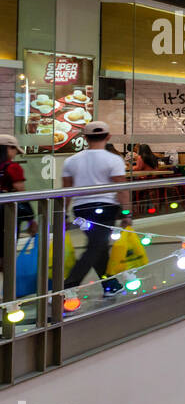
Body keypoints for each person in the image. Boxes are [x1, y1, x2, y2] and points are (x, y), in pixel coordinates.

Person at [62, 122, 130, 297]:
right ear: (108, 137)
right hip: (107, 209)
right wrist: (126, 213)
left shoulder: (71, 161)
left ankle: (111, 285)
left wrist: (63, 215)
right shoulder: (114, 160)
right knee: (96, 247)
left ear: (85, 138)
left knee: (97, 245)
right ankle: (67, 287)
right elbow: (121, 189)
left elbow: (66, 192)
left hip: (81, 211)